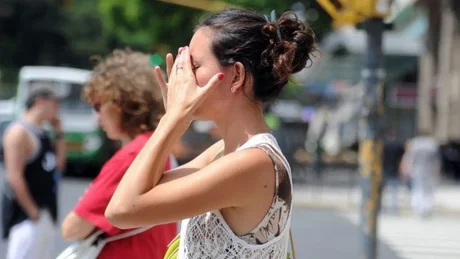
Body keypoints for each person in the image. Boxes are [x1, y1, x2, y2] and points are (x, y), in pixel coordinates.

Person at [105, 9, 316, 258]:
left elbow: (122, 210)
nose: (183, 77)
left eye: (194, 65)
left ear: (236, 75)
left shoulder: (253, 163)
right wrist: (175, 119)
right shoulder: (224, 152)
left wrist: (172, 119)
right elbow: (145, 190)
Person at [60, 49, 178, 259]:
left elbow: (72, 228)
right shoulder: (159, 147)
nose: (97, 118)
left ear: (120, 104)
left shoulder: (132, 156)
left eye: (98, 106)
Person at [2, 88, 65, 259]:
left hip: (47, 211)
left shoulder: (43, 132)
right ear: (40, 102)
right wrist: (32, 212)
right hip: (26, 216)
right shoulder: (19, 133)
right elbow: (13, 176)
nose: (57, 108)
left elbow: (58, 164)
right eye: (54, 103)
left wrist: (59, 133)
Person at [400, 130, 441, 218]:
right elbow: (436, 160)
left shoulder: (414, 144)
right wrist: (437, 171)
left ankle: (418, 208)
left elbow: (409, 158)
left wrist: (406, 170)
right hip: (429, 171)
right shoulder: (432, 144)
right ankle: (427, 208)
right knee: (428, 190)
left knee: (417, 189)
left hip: (416, 170)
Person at [381, 127, 405, 213]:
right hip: (394, 169)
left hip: (384, 169)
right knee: (394, 191)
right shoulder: (398, 145)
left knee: (381, 191)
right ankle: (393, 209)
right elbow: (401, 158)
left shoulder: (383, 144)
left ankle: (379, 208)